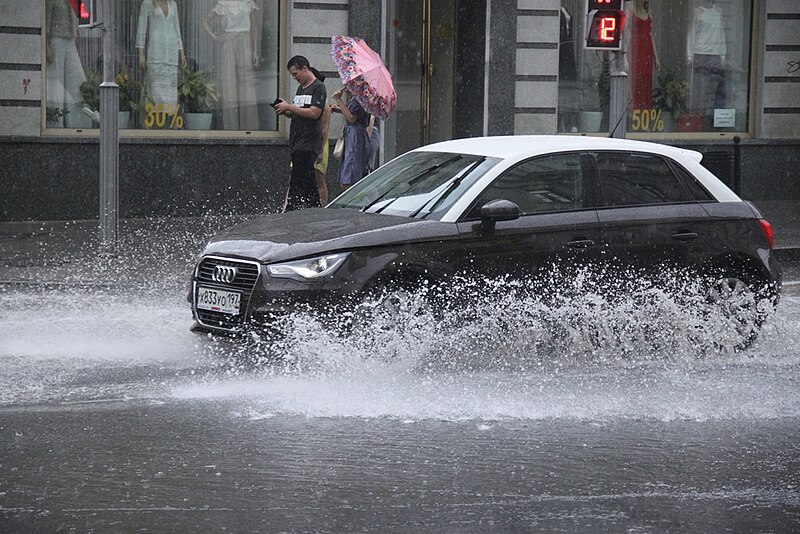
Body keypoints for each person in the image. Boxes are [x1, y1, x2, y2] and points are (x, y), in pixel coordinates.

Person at [274, 55, 326, 210]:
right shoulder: (300, 88)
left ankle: (292, 210)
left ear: (305, 68)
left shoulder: (318, 87)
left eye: (296, 74)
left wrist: (290, 107)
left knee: (297, 181)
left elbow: (314, 113)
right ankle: (314, 210)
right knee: (308, 182)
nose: (295, 78)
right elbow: (300, 113)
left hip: (308, 143)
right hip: (297, 142)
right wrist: (286, 110)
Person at [203, 0, 259, 130]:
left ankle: (249, 127)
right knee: (229, 83)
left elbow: (254, 27)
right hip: (228, 42)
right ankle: (230, 128)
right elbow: (205, 22)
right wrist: (216, 37)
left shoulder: (248, 3)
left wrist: (255, 50)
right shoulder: (223, 4)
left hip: (245, 42)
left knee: (247, 83)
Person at [136, 0, 187, 116]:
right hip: (156, 50)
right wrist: (141, 53)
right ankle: (152, 119)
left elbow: (176, 28)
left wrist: (181, 52)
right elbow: (141, 29)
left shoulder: (173, 4)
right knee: (155, 87)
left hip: (172, 52)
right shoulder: (148, 4)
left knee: (171, 88)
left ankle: (169, 119)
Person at [45, 0, 91, 128]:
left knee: (77, 80)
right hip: (56, 38)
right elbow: (46, 20)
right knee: (55, 81)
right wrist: (46, 45)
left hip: (70, 40)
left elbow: (80, 15)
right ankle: (55, 123)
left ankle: (79, 123)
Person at [687, 0, 727, 124]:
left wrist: (722, 54)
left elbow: (721, 32)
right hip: (700, 52)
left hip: (714, 53)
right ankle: (696, 118)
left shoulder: (718, 11)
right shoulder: (698, 12)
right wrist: (689, 55)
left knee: (714, 88)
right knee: (699, 88)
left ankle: (710, 118)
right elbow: (692, 32)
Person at [331, 87, 370, 191]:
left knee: (350, 177)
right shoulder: (357, 98)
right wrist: (340, 109)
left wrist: (339, 99)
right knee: (350, 172)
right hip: (353, 136)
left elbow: (352, 118)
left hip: (354, 138)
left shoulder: (360, 98)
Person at [627, 0, 661, 111]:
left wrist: (656, 57)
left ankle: (645, 108)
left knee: (646, 79)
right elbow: (626, 33)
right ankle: (636, 108)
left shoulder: (649, 14)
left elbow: (650, 35)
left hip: (647, 50)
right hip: (636, 48)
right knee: (636, 78)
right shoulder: (631, 13)